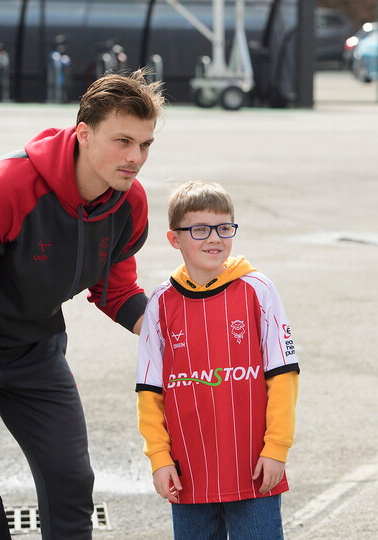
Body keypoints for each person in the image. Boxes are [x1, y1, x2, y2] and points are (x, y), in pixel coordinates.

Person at [0, 69, 165, 539]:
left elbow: (117, 289)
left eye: (145, 144)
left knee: (71, 481)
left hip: (32, 342)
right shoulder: (4, 187)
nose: (136, 158)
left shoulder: (129, 202)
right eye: (123, 141)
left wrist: (173, 336)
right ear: (84, 133)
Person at [136, 181, 300, 539]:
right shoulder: (161, 304)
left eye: (224, 228)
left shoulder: (258, 290)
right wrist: (159, 459)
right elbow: (150, 391)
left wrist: (276, 448)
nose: (214, 238)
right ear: (174, 239)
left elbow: (283, 375)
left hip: (253, 467)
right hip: (189, 471)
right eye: (199, 229)